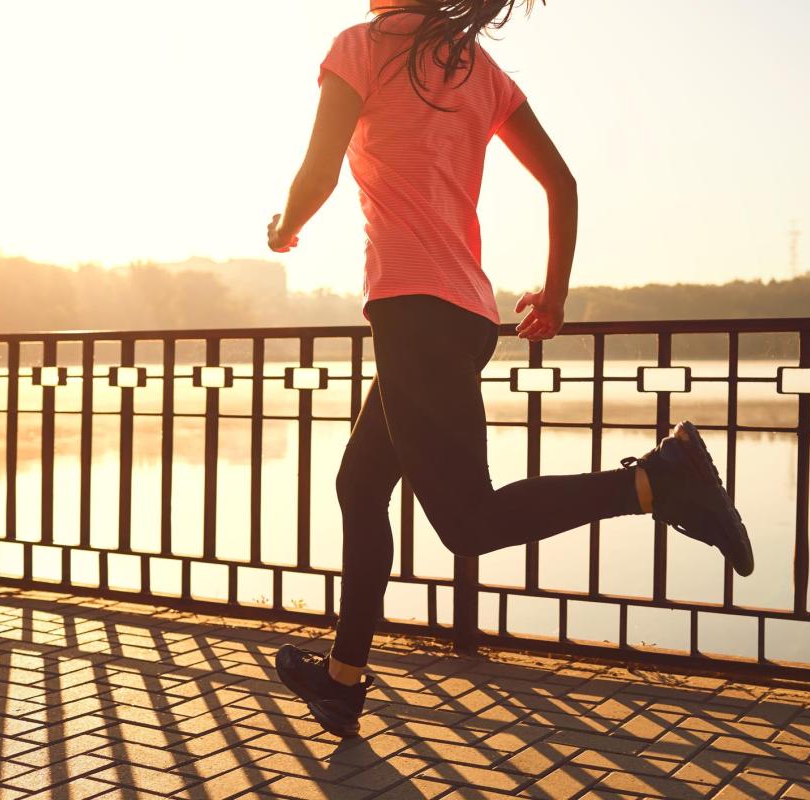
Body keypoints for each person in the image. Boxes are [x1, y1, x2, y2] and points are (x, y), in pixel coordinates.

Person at [266, 0, 753, 738]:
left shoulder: (360, 48)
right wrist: (553, 293)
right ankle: (341, 682)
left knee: (467, 523)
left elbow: (319, 173)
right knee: (360, 486)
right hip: (464, 314)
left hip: (413, 312)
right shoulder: (477, 68)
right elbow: (563, 183)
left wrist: (285, 225)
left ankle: (660, 479)